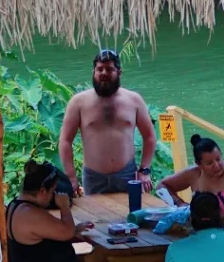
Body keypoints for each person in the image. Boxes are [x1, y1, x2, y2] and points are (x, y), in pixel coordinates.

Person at [58, 49, 158, 196]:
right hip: (93, 177)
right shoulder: (78, 102)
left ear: (119, 72)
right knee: (96, 217)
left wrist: (144, 170)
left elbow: (149, 136)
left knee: (131, 216)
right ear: (94, 72)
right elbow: (65, 140)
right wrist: (71, 176)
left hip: (128, 175)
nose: (104, 73)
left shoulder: (134, 100)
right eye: (99, 69)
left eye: (109, 69)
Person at [159, 134, 224, 250]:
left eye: (218, 159)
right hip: (206, 238)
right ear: (198, 164)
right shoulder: (193, 174)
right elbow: (162, 186)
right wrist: (179, 203)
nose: (217, 165)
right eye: (209, 163)